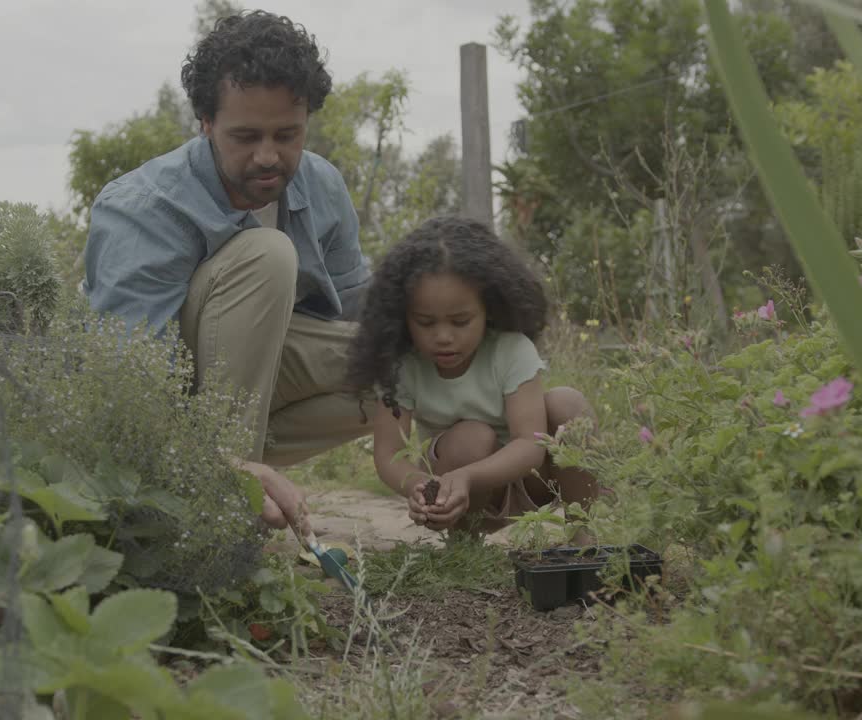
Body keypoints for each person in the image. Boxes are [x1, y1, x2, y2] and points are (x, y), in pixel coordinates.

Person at [81, 10, 373, 535]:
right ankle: (223, 512)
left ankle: (242, 477)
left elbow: (357, 306)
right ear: (206, 124)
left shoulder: (322, 185)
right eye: (245, 136)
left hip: (249, 397)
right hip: (164, 405)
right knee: (268, 255)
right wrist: (221, 463)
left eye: (288, 134)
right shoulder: (142, 207)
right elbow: (128, 379)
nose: (268, 156)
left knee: (400, 364)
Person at [346, 215, 601, 537]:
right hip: (460, 496)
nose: (443, 336)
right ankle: (465, 541)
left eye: (460, 321)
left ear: (489, 309)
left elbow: (529, 443)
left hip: (533, 482)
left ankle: (582, 535)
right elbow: (387, 453)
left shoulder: (511, 350)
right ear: (402, 316)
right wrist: (419, 485)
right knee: (472, 436)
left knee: (568, 404)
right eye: (426, 322)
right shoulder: (401, 366)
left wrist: (469, 475)